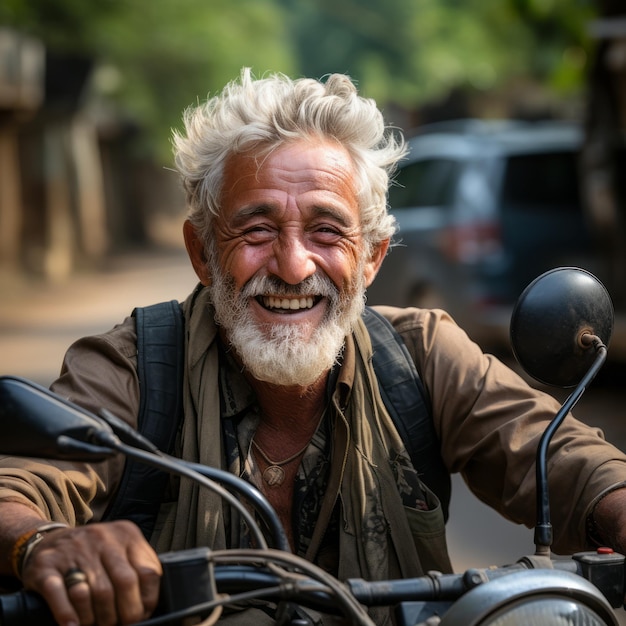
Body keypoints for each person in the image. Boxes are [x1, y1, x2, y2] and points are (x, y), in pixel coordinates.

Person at [1, 68, 626, 626]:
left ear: (372, 257)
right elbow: (16, 486)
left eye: (327, 230)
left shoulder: (420, 356)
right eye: (256, 229)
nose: (295, 266)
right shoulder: (134, 367)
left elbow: (564, 457)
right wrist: (43, 542)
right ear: (202, 252)